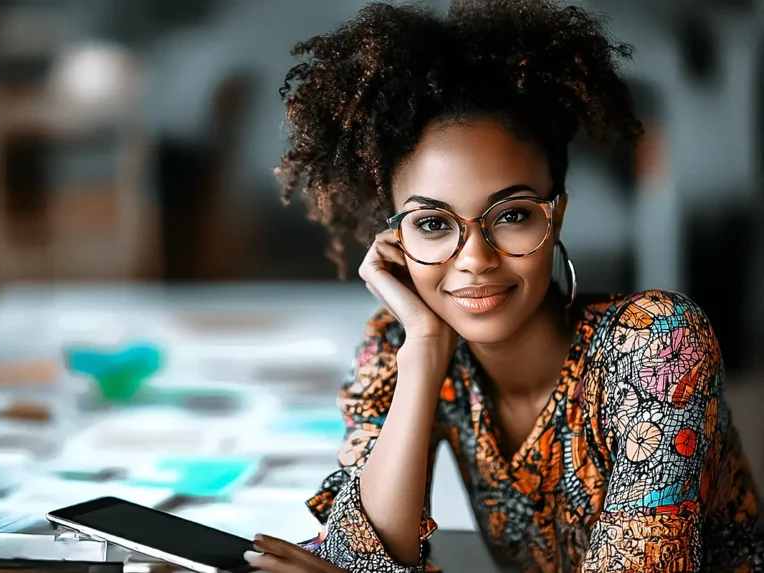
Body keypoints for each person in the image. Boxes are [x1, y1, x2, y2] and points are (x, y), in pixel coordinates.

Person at [243, 1, 764, 571]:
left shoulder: (658, 345)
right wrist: (423, 349)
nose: (474, 260)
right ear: (393, 238)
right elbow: (357, 556)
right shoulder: (400, 344)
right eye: (433, 224)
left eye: (511, 215)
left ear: (555, 216)